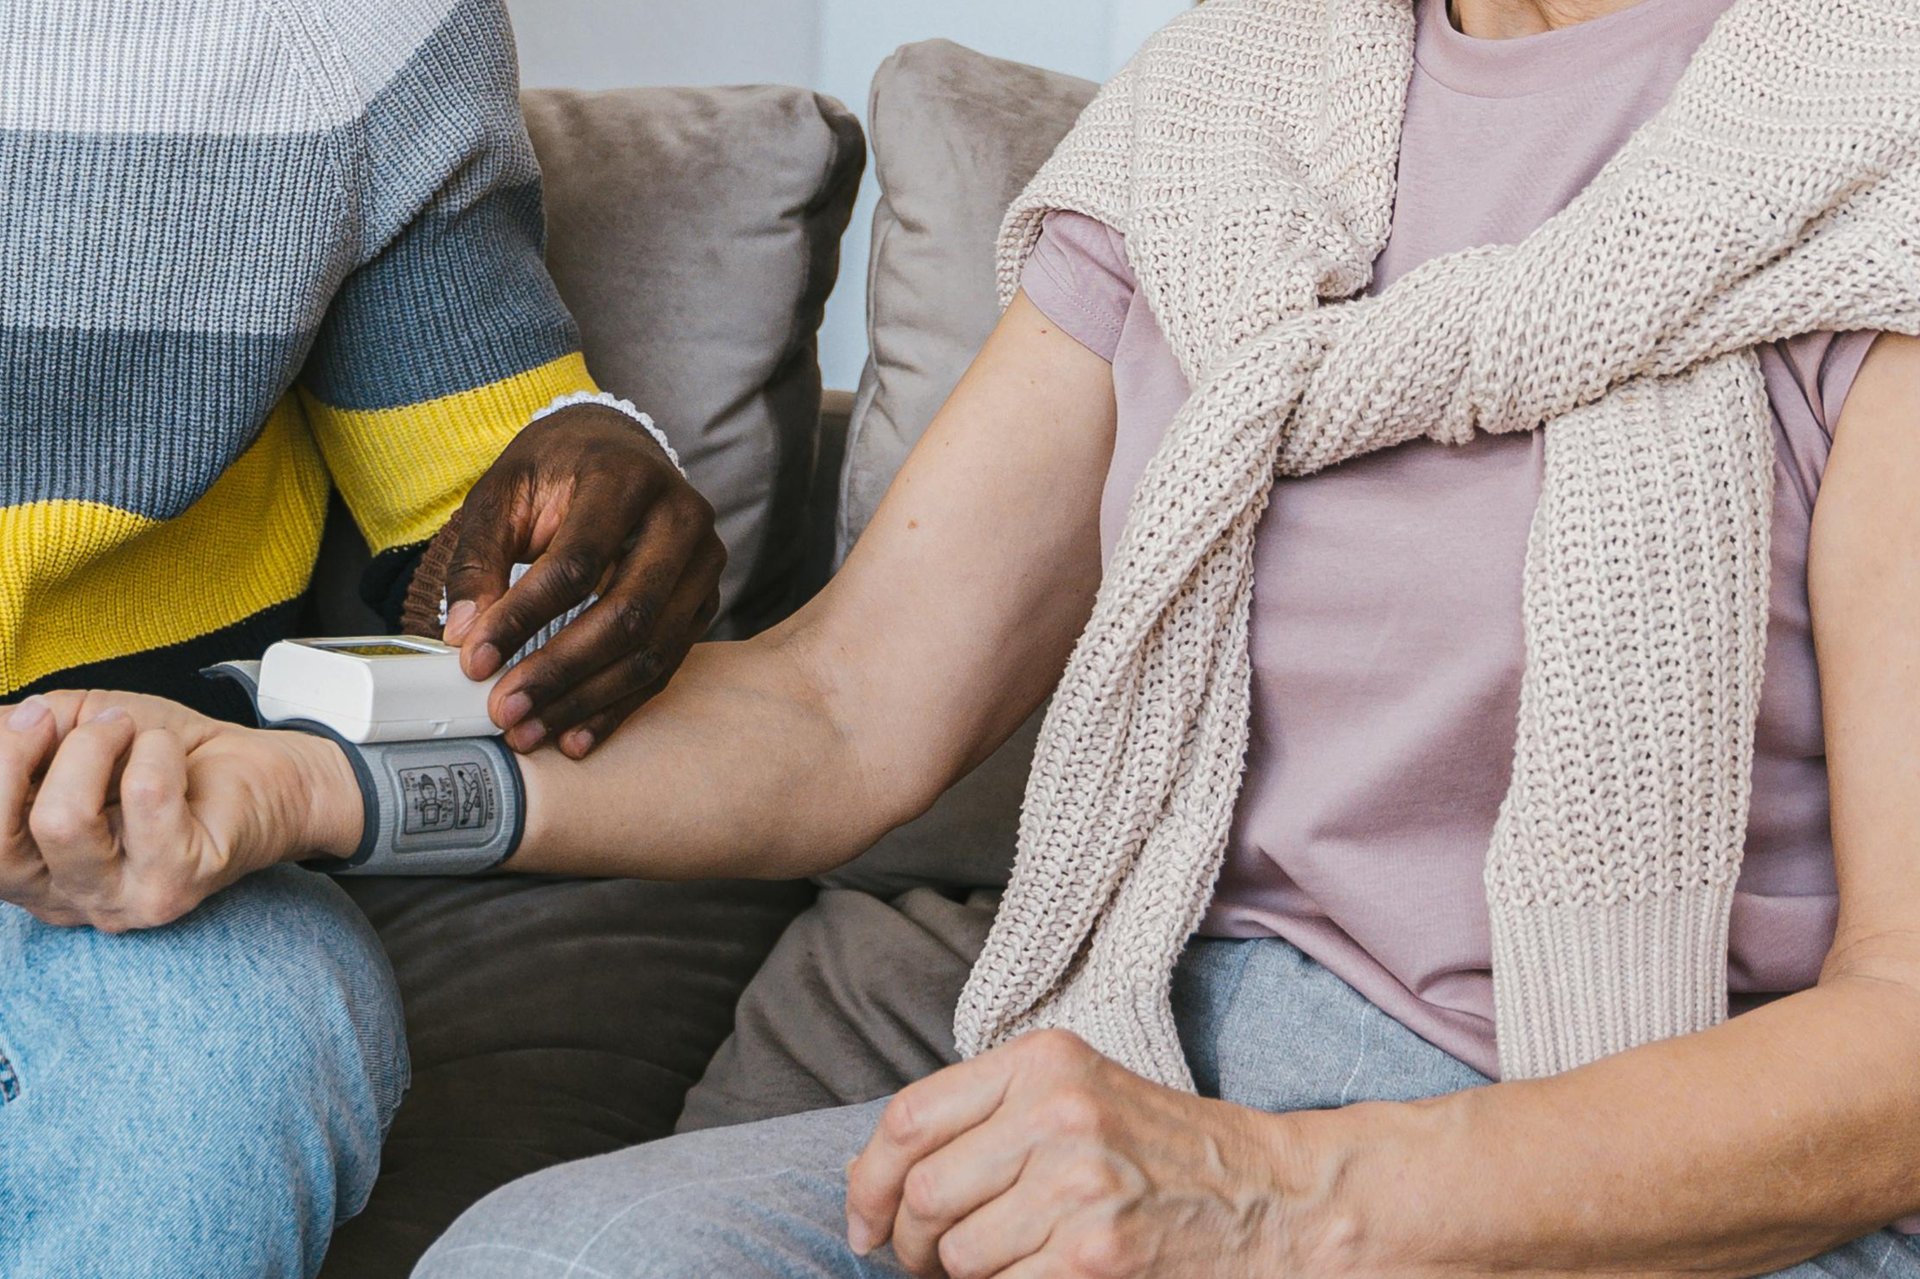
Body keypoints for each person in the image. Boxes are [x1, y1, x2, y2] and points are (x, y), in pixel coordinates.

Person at [11, 0, 1920, 1275]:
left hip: (1626, 1151)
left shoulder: (1870, 147)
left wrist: (1279, 1197)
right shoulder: (1246, 96)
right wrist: (282, 783)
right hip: (1155, 1055)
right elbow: (848, 706)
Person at [0, 0, 721, 1274]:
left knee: (260, 1022)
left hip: (110, 843)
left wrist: (590, 499)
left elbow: (479, 520)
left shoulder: (357, 29)